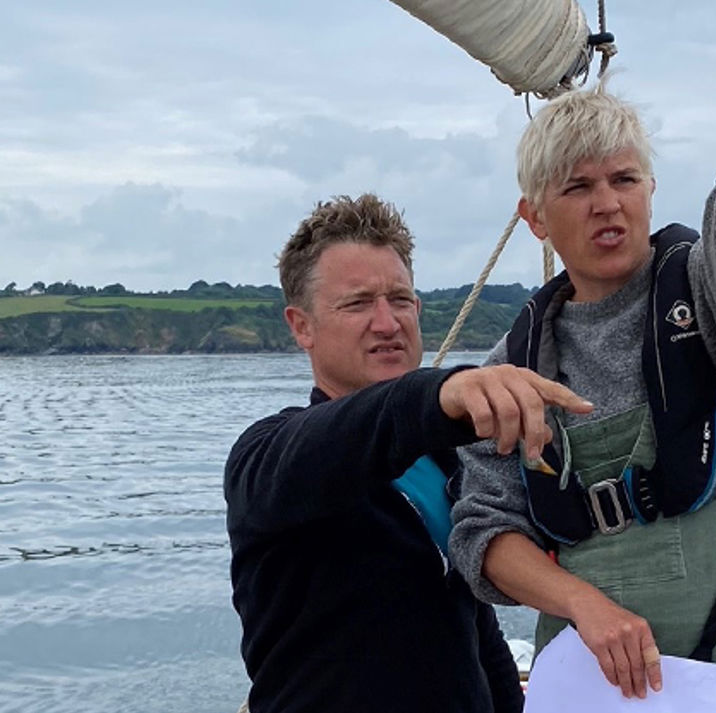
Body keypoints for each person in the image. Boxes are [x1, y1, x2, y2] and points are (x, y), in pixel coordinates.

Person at [449, 84, 716, 699]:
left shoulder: (709, 296)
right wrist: (584, 605)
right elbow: (481, 533)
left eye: (624, 179)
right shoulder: (510, 370)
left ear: (651, 191)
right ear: (535, 217)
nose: (607, 204)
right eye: (577, 187)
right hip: (585, 670)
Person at [224, 193, 593, 713]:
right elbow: (349, 435)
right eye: (357, 303)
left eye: (400, 300)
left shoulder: (444, 466)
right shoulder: (266, 462)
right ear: (301, 325)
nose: (387, 322)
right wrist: (442, 393)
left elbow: (475, 634)